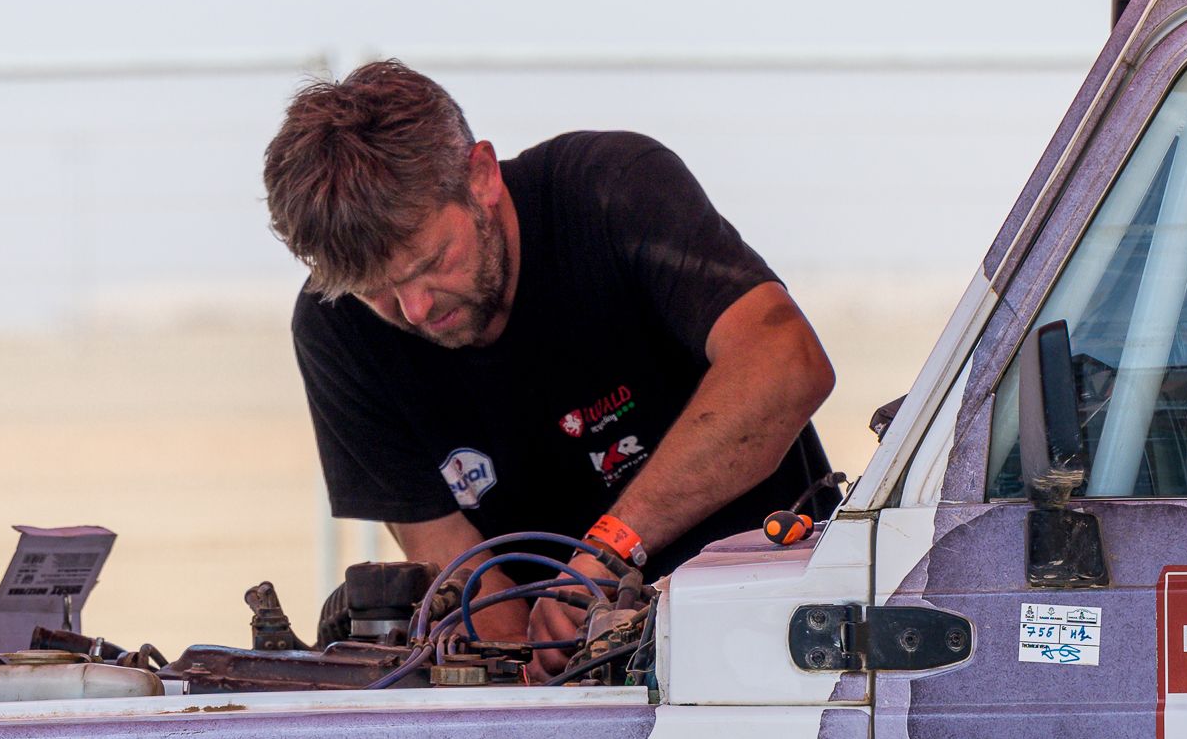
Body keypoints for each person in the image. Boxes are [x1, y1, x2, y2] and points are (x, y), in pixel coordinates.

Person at [264, 60, 836, 635]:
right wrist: (530, 662)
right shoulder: (335, 330)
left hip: (787, 629)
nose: (415, 309)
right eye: (376, 292)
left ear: (481, 177)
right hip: (580, 666)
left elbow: (787, 365)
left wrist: (607, 555)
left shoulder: (611, 189)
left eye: (432, 262)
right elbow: (459, 575)